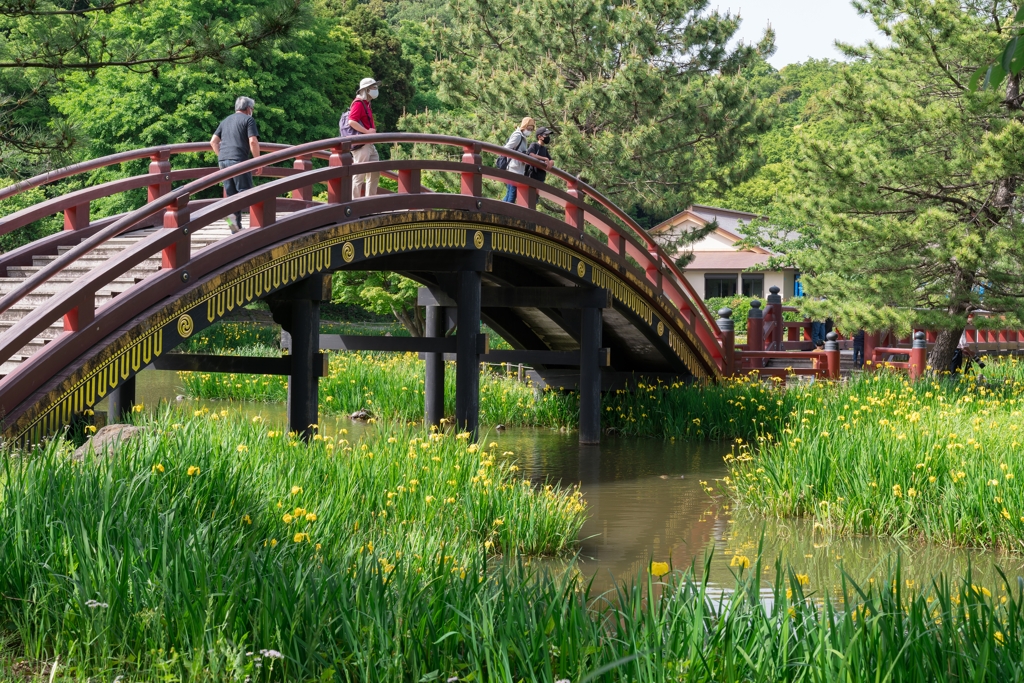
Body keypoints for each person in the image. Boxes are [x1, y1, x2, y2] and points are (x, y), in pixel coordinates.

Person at [210, 96, 260, 233]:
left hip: (223, 161)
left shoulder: (225, 121)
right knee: (247, 193)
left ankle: (233, 228)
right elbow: (253, 142)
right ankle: (257, 226)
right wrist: (258, 162)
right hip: (238, 160)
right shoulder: (249, 120)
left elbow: (213, 142)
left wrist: (222, 156)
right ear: (249, 109)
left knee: (230, 197)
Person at [348, 77, 381, 198]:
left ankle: (370, 202)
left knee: (374, 172)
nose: (376, 90)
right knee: (359, 175)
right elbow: (352, 121)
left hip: (369, 143)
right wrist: (367, 132)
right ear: (366, 90)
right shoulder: (358, 103)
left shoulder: (367, 104)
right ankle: (354, 204)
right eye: (374, 87)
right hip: (362, 145)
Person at [501, 117, 535, 203]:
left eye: (531, 129)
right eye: (528, 128)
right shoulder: (518, 135)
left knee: (510, 192)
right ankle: (505, 212)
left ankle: (499, 209)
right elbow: (507, 148)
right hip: (513, 168)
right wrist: (519, 157)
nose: (529, 131)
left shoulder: (523, 136)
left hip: (518, 168)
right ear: (524, 126)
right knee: (512, 193)